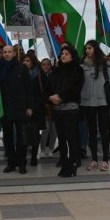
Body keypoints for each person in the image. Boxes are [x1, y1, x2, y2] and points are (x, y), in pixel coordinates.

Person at [80, 40, 110, 172]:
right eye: (86, 48)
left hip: (103, 101)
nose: (87, 50)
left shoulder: (105, 64)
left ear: (95, 49)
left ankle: (105, 160)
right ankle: (94, 159)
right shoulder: (82, 65)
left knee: (104, 131)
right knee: (91, 132)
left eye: (90, 48)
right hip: (87, 102)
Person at [48, 45, 85, 177]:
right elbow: (50, 86)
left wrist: (61, 97)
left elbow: (75, 87)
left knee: (71, 137)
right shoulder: (56, 70)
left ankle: (73, 163)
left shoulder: (77, 69)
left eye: (66, 54)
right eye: (62, 53)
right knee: (61, 139)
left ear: (72, 56)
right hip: (57, 109)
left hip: (70, 108)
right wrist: (51, 97)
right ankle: (64, 163)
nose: (63, 56)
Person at [0, 44, 33, 174]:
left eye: (9, 52)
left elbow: (29, 87)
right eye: (4, 52)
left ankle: (22, 163)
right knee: (8, 138)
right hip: (5, 107)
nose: (6, 54)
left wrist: (29, 106)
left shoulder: (22, 67)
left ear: (14, 53)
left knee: (21, 137)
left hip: (20, 107)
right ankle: (11, 163)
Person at [22, 52, 47, 167]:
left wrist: (34, 105)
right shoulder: (21, 73)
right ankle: (23, 157)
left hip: (37, 109)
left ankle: (33, 156)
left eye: (27, 61)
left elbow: (45, 91)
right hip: (24, 108)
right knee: (24, 133)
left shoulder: (40, 74)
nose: (25, 63)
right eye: (24, 61)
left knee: (36, 133)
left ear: (33, 61)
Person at [37, 58, 58, 158]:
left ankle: (50, 149)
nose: (46, 66)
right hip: (44, 106)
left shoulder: (55, 76)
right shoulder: (38, 77)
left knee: (54, 130)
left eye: (48, 64)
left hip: (55, 105)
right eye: (43, 64)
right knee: (46, 129)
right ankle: (42, 149)